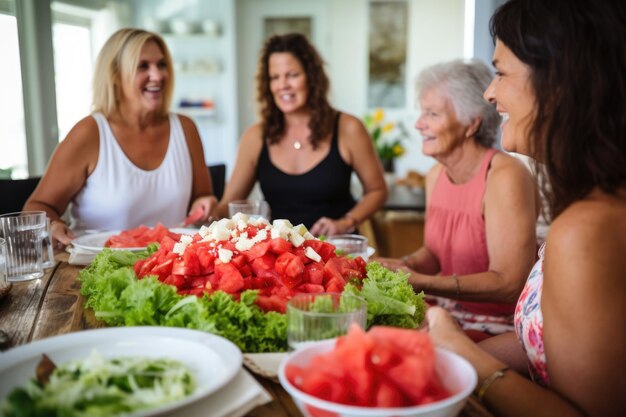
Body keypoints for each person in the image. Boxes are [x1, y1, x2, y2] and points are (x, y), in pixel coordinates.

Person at [426, 0, 626, 416]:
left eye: (500, 72)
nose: (489, 92)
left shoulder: (586, 229)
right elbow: (541, 341)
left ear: (558, 82)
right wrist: (438, 350)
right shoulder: (593, 207)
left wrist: (464, 353)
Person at [379, 59, 539, 340]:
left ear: (471, 123)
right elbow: (433, 254)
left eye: (432, 114)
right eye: (422, 112)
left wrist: (423, 282)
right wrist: (398, 267)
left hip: (497, 324)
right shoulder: (435, 175)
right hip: (446, 311)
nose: (418, 124)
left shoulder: (504, 177)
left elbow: (510, 283)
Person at [24, 28, 216, 246]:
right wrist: (52, 225)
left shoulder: (186, 128)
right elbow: (35, 208)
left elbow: (203, 197)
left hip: (170, 267)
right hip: (98, 268)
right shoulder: (89, 133)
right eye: (143, 66)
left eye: (161, 64)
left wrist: (205, 203)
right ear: (115, 75)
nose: (158, 75)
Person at [211, 33, 387, 236]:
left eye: (292, 75)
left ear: (312, 77)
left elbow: (377, 191)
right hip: (281, 258)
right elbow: (229, 206)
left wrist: (345, 222)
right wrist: (207, 209)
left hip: (336, 252)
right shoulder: (255, 137)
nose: (283, 85)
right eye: (275, 77)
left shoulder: (348, 128)